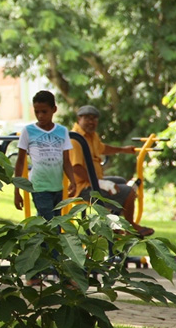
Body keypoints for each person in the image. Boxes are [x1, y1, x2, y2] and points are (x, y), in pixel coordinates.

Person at [69, 104, 154, 237]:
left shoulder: (91, 136)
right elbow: (76, 168)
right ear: (79, 119)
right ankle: (131, 226)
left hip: (92, 182)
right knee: (127, 191)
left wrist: (122, 149)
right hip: (82, 187)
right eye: (87, 118)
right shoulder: (76, 139)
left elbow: (102, 148)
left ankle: (113, 225)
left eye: (94, 119)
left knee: (120, 181)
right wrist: (99, 183)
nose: (91, 122)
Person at [13, 90, 77, 219]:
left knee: (51, 223)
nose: (40, 116)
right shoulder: (28, 131)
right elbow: (20, 162)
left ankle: (37, 239)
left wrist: (73, 181)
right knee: (51, 225)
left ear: (54, 109)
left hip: (57, 187)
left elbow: (66, 160)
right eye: (37, 112)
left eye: (44, 111)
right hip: (39, 187)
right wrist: (16, 190)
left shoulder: (62, 131)